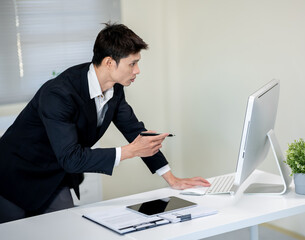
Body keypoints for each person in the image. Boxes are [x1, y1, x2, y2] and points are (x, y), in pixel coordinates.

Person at [0, 23, 210, 223]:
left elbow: (135, 132)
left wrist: (171, 178)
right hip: (13, 175)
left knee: (67, 231)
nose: (137, 71)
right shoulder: (59, 93)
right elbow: (71, 158)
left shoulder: (115, 89)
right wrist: (131, 151)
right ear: (110, 62)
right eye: (132, 63)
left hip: (55, 176)